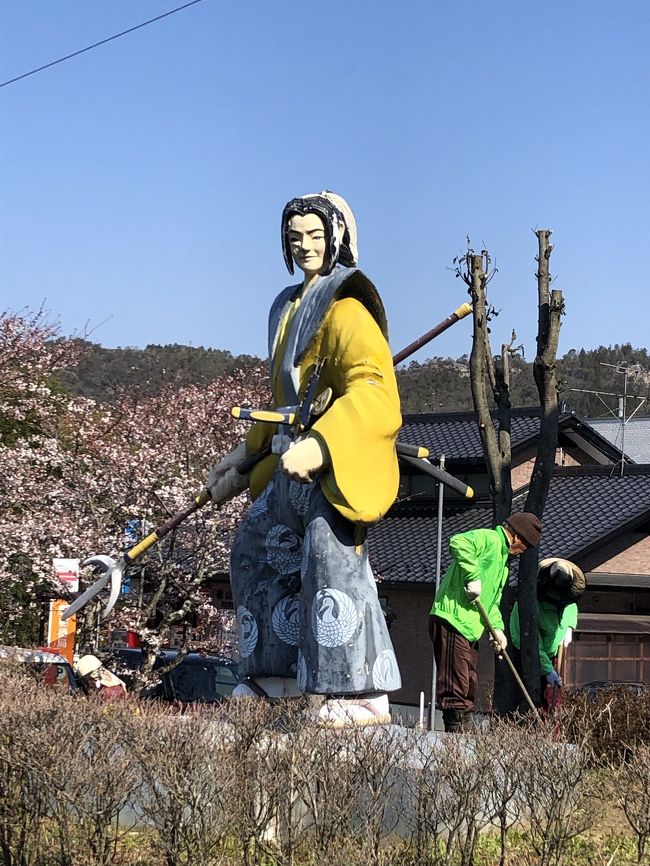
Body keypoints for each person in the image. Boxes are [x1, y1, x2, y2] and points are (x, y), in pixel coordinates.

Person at [205, 192, 402, 727]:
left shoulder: (346, 307)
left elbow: (374, 389)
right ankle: (275, 676)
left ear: (337, 238)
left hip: (330, 464)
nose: (305, 245)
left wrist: (326, 441)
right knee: (254, 547)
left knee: (329, 556)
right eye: (295, 237)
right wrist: (237, 461)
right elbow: (280, 406)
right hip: (286, 457)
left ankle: (360, 690)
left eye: (316, 235)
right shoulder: (286, 307)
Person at [428, 512, 542, 733]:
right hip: (453, 619)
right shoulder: (489, 539)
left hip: (471, 628)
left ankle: (463, 736)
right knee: (456, 685)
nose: (523, 552)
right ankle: (454, 739)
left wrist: (497, 629)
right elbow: (458, 542)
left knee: (469, 682)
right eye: (526, 546)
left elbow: (491, 603)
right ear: (517, 537)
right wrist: (473, 576)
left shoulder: (503, 564)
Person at [509, 557, 586, 714]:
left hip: (552, 656)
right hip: (527, 658)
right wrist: (548, 669)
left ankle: (552, 734)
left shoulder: (568, 598)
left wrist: (570, 626)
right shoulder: (529, 605)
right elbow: (531, 644)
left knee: (553, 702)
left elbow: (571, 608)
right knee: (529, 701)